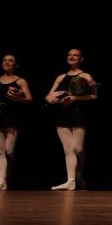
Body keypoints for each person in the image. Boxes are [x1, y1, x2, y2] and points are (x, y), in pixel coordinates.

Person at [46, 49, 97, 191]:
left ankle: (78, 175)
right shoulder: (61, 77)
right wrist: (50, 98)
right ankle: (71, 180)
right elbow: (49, 95)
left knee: (78, 149)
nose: (72, 57)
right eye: (69, 54)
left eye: (75, 55)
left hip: (78, 113)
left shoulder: (85, 75)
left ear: (81, 58)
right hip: (62, 114)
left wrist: (74, 98)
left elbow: (94, 96)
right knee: (68, 149)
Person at [0, 54, 33, 190]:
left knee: (9, 151)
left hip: (12, 118)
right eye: (4, 60)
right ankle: (1, 181)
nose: (7, 62)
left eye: (10, 60)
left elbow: (29, 99)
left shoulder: (20, 81)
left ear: (16, 65)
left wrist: (17, 99)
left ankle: (5, 179)